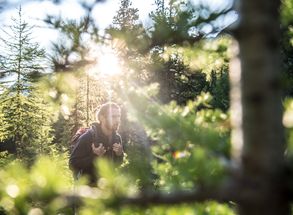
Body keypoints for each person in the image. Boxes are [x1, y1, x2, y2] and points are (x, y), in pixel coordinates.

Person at [69, 102, 124, 185]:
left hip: (107, 188)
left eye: (118, 116)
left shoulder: (117, 138)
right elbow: (72, 164)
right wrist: (94, 156)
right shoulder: (88, 137)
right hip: (87, 190)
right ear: (102, 118)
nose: (117, 120)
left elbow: (117, 163)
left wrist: (120, 154)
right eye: (113, 116)